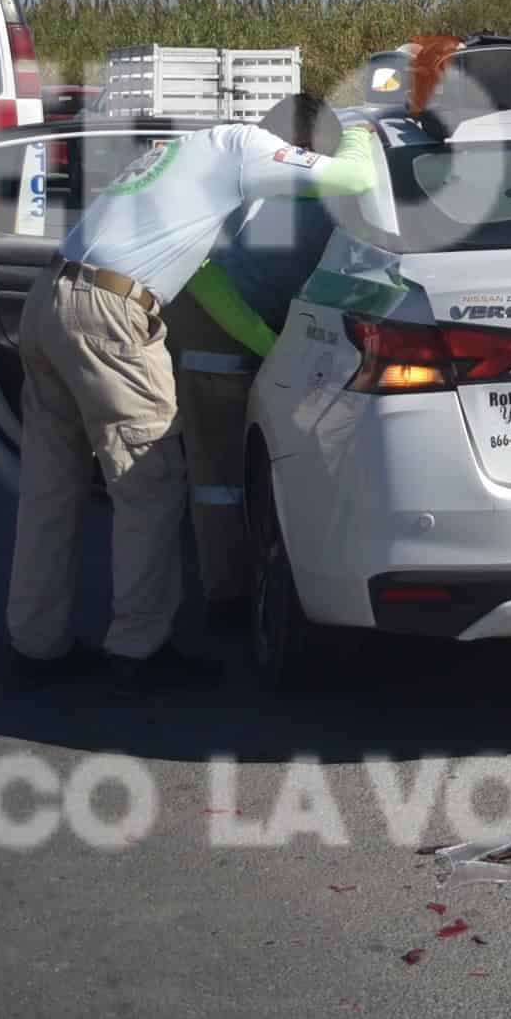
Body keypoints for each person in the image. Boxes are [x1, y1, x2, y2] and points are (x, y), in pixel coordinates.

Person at [8, 97, 378, 695]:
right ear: (298, 149)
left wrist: (267, 343)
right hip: (111, 314)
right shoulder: (249, 149)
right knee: (149, 482)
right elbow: (355, 175)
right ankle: (138, 651)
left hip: (49, 300)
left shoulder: (183, 153)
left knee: (50, 488)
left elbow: (202, 276)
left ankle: (35, 642)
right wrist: (363, 133)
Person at [166, 92, 349, 627]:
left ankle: (230, 591)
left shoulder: (236, 179)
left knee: (218, 473)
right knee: (244, 472)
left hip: (219, 332)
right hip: (252, 338)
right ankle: (243, 589)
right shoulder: (329, 194)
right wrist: (269, 347)